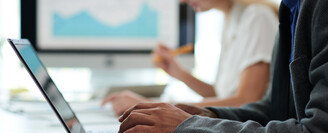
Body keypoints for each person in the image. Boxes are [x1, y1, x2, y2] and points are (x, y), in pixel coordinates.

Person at [117, 0, 328, 133]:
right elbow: (276, 109)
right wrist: (209, 114)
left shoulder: (281, 12)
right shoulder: (290, 8)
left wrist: (192, 127)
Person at [102, 0, 279, 116]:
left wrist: (153, 105)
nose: (182, 1)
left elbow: (246, 101)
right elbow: (222, 95)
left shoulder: (257, 16)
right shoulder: (231, 18)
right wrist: (178, 73)